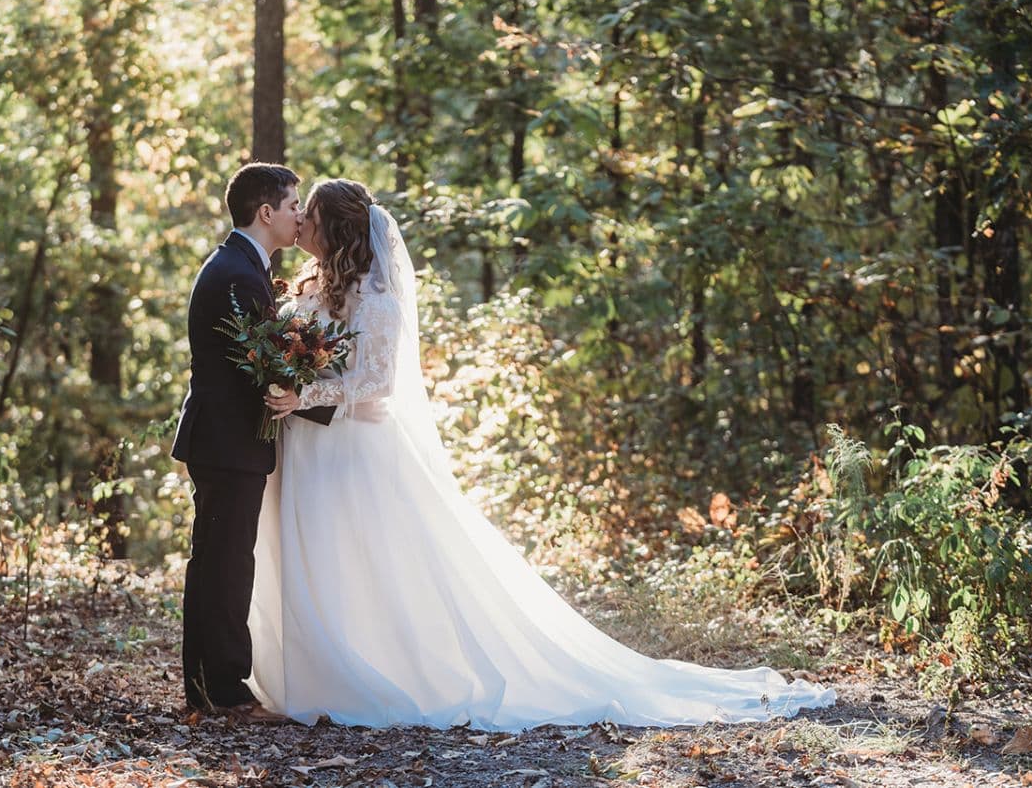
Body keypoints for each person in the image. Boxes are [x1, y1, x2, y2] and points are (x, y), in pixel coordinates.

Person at [252, 178, 836, 730]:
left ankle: (369, 673)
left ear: (342, 230)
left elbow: (377, 382)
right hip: (309, 446)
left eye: (315, 216)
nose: (302, 221)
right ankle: (321, 671)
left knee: (369, 558)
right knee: (325, 553)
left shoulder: (376, 298)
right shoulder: (311, 285)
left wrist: (308, 390)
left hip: (353, 449)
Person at [169, 162, 333, 719]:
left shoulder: (241, 266)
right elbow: (257, 368)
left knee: (219, 562)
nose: (300, 217)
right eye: (293, 207)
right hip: (226, 442)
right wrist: (322, 390)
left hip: (226, 441)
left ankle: (209, 690)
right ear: (266, 213)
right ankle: (227, 693)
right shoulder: (238, 274)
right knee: (226, 565)